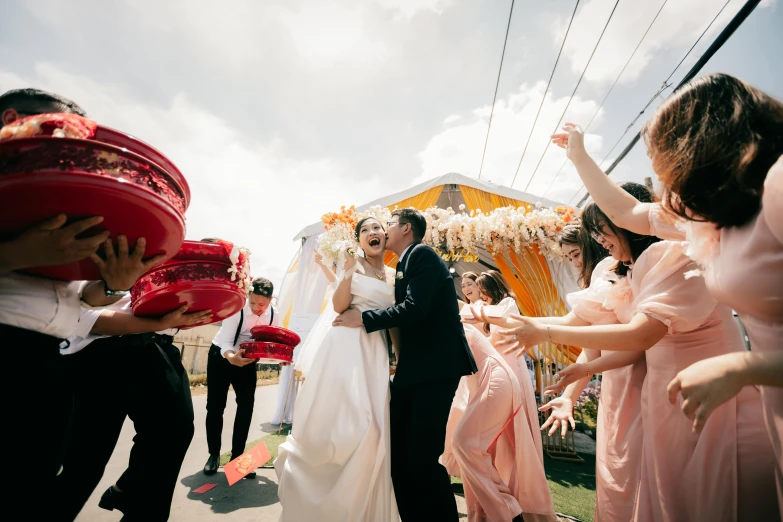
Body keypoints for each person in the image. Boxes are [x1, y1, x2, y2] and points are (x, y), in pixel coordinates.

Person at [551, 73, 783, 509]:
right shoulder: (706, 217)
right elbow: (629, 210)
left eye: (666, 159)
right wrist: (579, 156)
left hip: (745, 400)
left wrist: (741, 367)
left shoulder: (777, 188)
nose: (661, 177)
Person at [489, 187, 778, 520]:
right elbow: (582, 325)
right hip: (658, 392)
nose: (598, 241)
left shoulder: (675, 256)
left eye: (602, 230)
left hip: (705, 388)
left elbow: (640, 337)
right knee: (661, 490)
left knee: (707, 492)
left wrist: (548, 336)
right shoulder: (625, 269)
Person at [0, 88, 161, 516]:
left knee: (28, 492)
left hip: (46, 368)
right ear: (15, 120)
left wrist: (113, 283)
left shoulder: (60, 208)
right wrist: (15, 255)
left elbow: (78, 298)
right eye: (61, 136)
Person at [333, 208, 477, 522]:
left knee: (422, 458)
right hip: (413, 370)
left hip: (435, 368)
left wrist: (365, 318)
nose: (384, 231)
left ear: (405, 228)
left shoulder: (421, 254)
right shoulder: (401, 263)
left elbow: (415, 308)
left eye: (389, 225)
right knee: (399, 456)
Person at [276, 217, 398, 521]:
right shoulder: (351, 265)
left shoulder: (396, 275)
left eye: (376, 228)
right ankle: (327, 498)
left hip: (376, 351)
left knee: (376, 428)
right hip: (346, 345)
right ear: (358, 240)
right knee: (350, 425)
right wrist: (346, 270)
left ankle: (366, 502)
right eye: (365, 230)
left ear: (386, 235)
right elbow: (340, 305)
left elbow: (395, 317)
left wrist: (399, 356)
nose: (372, 233)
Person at [55, 297, 210, 521]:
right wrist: (156, 322)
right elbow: (83, 315)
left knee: (174, 433)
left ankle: (131, 497)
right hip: (100, 349)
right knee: (82, 462)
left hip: (157, 345)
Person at [540, 218, 646, 522]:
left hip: (638, 376)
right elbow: (592, 348)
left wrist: (537, 330)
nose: (574, 264)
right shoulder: (602, 282)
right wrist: (569, 399)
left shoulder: (620, 274)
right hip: (614, 380)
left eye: (576, 255)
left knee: (635, 466)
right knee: (615, 468)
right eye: (569, 258)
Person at [204, 276, 280, 479]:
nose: (256, 307)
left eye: (262, 304)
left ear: (271, 300)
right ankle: (213, 455)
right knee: (215, 406)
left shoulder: (274, 315)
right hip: (222, 355)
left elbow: (272, 344)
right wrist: (231, 358)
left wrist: (280, 358)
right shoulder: (236, 309)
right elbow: (227, 342)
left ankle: (238, 460)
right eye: (253, 302)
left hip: (247, 361)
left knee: (246, 407)